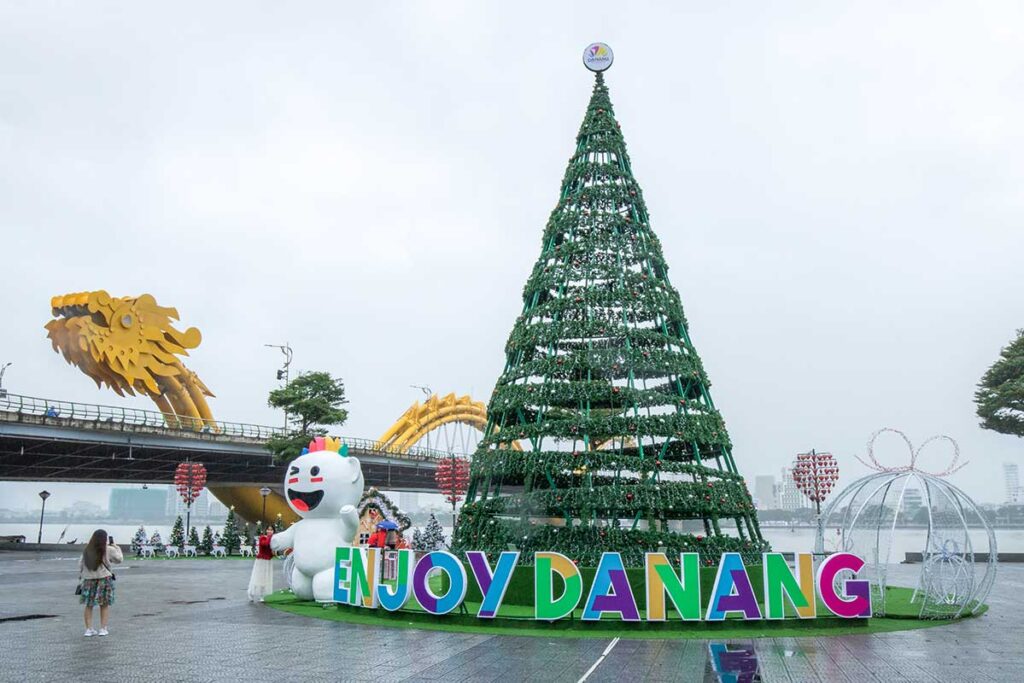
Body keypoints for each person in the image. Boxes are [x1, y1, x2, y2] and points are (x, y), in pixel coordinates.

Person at [78, 529, 123, 637]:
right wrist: (117, 547)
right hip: (104, 579)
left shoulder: (87, 550)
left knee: (89, 604)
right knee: (104, 604)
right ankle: (103, 629)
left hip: (89, 580)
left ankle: (88, 629)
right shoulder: (108, 549)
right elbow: (119, 559)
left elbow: (80, 564)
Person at [247, 527, 275, 602]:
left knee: (265, 579)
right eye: (268, 529)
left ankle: (261, 595)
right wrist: (270, 537)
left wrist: (273, 553)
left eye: (271, 530)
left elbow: (272, 551)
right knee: (257, 577)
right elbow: (265, 544)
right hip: (261, 560)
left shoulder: (273, 539)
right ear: (266, 530)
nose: (269, 531)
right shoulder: (263, 537)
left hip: (268, 561)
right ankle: (251, 593)